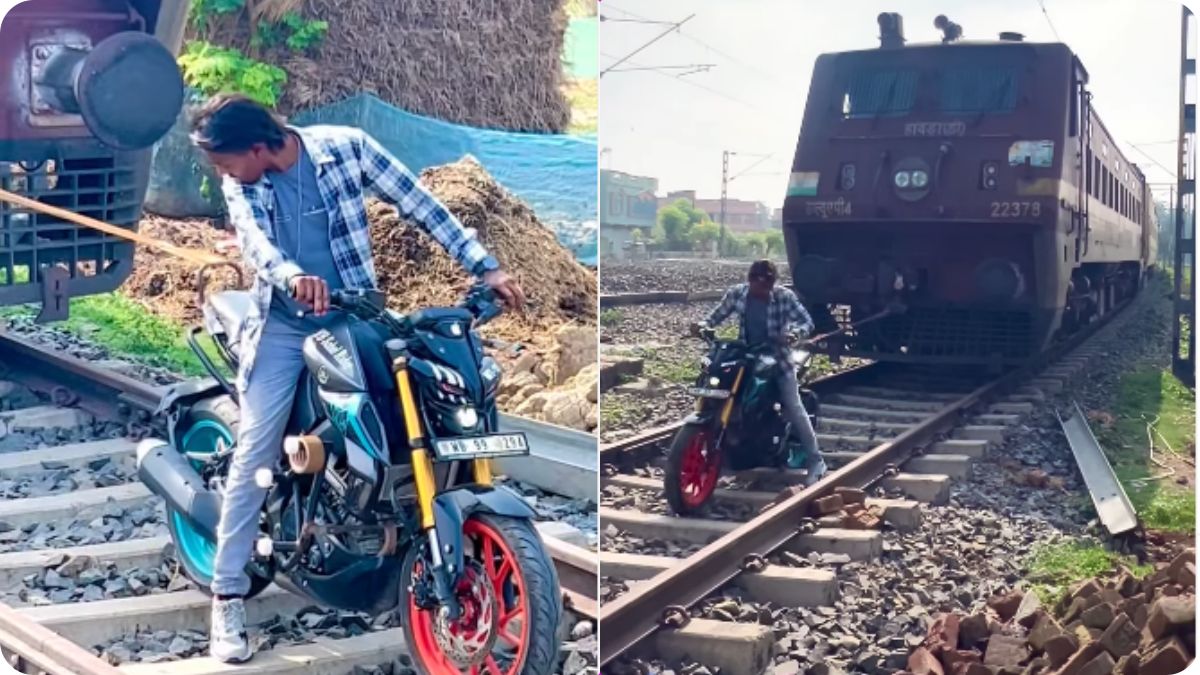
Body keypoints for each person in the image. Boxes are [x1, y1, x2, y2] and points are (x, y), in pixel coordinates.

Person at [188, 94, 525, 663]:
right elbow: (256, 243)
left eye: (223, 161)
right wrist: (295, 278)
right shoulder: (244, 185)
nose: (221, 173)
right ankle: (226, 595)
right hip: (284, 328)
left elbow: (420, 205)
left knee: (400, 419)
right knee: (255, 454)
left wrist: (484, 266)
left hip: (355, 315)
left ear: (256, 147)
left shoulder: (346, 149)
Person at [699, 259, 827, 483]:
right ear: (749, 281)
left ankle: (816, 461)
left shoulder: (784, 297)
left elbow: (806, 322)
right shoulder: (737, 294)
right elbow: (717, 315)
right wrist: (702, 325)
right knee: (725, 396)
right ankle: (724, 456)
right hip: (746, 356)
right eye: (756, 285)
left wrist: (794, 335)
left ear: (773, 284)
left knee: (793, 405)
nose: (760, 291)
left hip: (778, 359)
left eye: (765, 286)